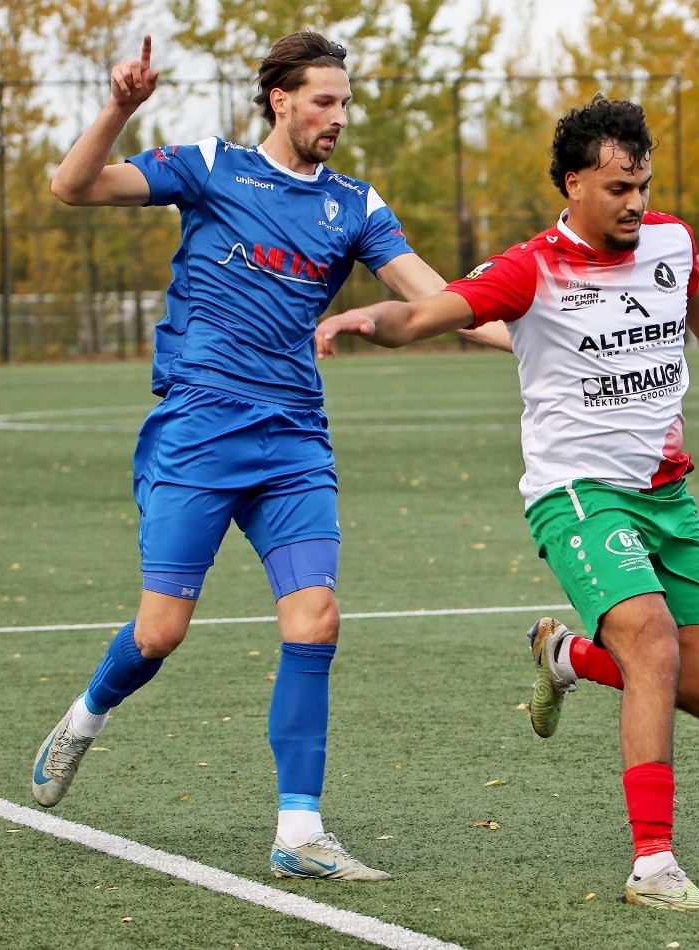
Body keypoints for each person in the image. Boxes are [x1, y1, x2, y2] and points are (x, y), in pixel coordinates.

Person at [31, 31, 505, 881]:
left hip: (292, 441)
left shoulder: (355, 206)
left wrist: (546, 343)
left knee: (315, 619)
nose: (338, 116)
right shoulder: (212, 167)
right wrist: (120, 107)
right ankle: (86, 716)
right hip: (200, 431)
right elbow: (73, 186)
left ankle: (299, 831)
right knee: (159, 633)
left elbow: (441, 301)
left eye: (345, 102)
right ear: (280, 100)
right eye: (323, 100)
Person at [313, 95, 699, 912]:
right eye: (617, 188)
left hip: (666, 496)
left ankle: (564, 657)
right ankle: (652, 866)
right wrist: (365, 319)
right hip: (576, 495)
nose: (634, 203)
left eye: (642, 185)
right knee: (653, 642)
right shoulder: (532, 267)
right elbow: (424, 313)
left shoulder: (670, 241)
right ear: (573, 185)